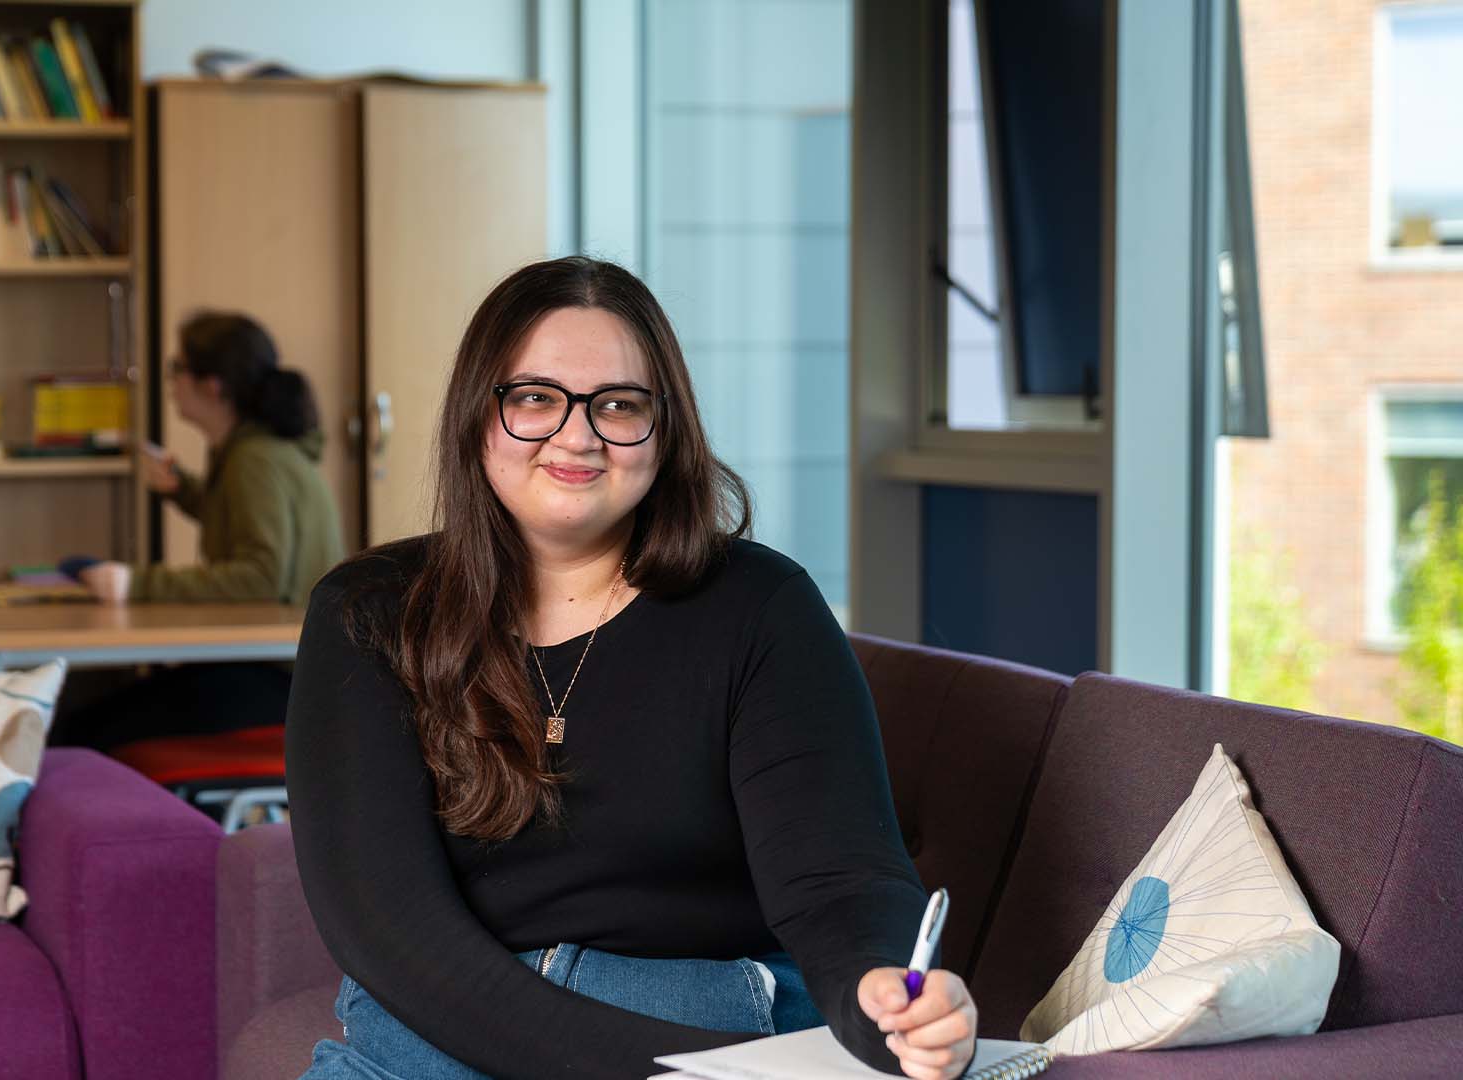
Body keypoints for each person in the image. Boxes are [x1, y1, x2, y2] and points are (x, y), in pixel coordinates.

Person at [287, 257, 978, 1080]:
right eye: (535, 398)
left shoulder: (763, 607)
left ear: (664, 430)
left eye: (618, 405)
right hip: (451, 1034)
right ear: (478, 416)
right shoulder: (369, 611)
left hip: (706, 1012)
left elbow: (839, 880)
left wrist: (886, 1010)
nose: (577, 436)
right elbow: (390, 931)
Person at [56, 312, 345, 750]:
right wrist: (186, 492)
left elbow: (261, 577)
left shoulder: (254, 462)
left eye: (178, 370)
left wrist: (134, 583)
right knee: (97, 712)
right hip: (276, 671)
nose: (171, 383)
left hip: (277, 683)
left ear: (213, 386)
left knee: (83, 728)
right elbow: (244, 528)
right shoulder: (250, 453)